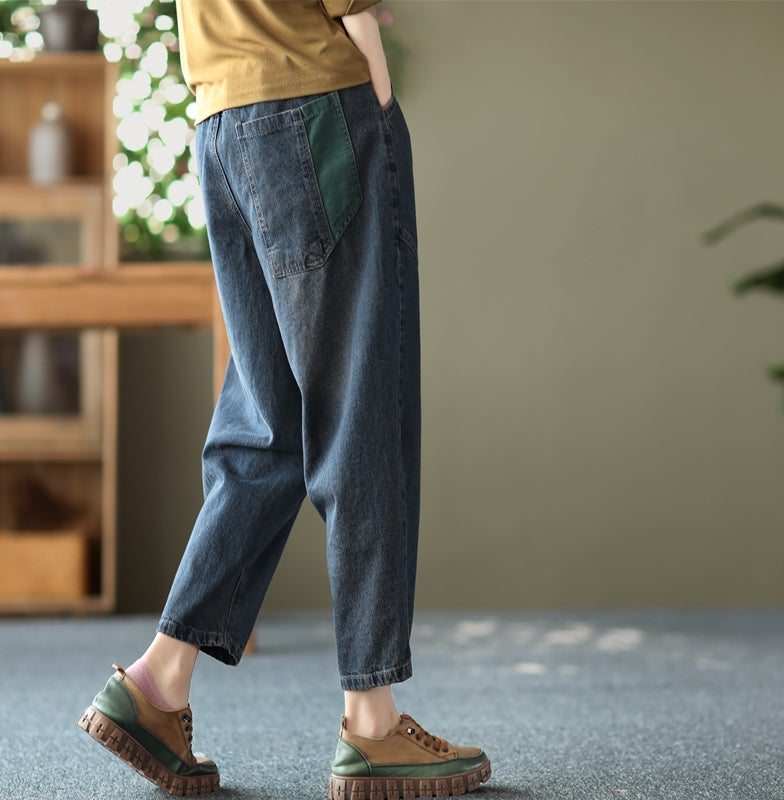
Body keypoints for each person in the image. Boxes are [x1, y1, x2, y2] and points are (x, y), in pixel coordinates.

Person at [77, 1, 492, 797]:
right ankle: (372, 722)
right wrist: (370, 59)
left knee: (272, 422)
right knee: (361, 412)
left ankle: (159, 684)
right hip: (316, 103)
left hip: (226, 120)